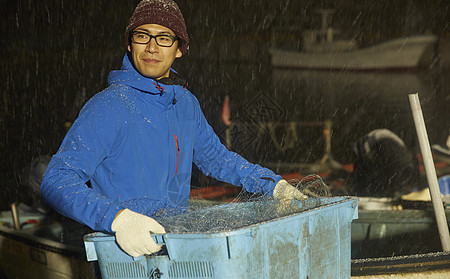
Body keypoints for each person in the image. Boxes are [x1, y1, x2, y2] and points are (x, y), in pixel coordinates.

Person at [40, 0, 306, 258]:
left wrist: (272, 185)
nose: (152, 47)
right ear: (130, 43)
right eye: (142, 36)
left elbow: (216, 158)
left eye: (164, 38)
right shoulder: (108, 106)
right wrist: (117, 219)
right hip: (124, 255)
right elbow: (57, 180)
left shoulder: (184, 103)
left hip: (175, 249)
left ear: (179, 49)